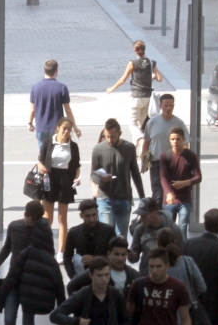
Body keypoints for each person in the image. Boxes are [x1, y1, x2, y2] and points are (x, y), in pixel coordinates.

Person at [0, 200, 59, 325]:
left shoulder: (42, 231)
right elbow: (7, 247)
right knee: (9, 318)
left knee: (28, 322)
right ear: (25, 216)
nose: (34, 224)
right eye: (32, 220)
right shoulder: (14, 227)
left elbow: (48, 254)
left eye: (37, 220)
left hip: (32, 281)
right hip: (15, 279)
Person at [90, 119, 144, 237]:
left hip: (124, 198)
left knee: (121, 237)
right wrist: (101, 180)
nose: (110, 140)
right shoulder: (98, 149)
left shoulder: (129, 148)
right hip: (105, 198)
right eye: (107, 136)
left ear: (120, 134)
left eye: (113, 137)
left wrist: (142, 197)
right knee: (106, 234)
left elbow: (135, 173)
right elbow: (93, 174)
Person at [37, 117, 81, 251]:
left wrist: (76, 178)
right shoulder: (48, 142)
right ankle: (45, 247)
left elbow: (76, 166)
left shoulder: (73, 146)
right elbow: (40, 160)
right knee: (47, 218)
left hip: (64, 180)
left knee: (62, 218)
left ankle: (61, 251)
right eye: (64, 128)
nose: (66, 132)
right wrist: (41, 167)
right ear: (58, 128)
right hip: (49, 179)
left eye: (69, 129)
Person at [106, 40, 163, 141]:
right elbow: (160, 78)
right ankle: (140, 148)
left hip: (136, 97)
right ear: (144, 49)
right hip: (148, 97)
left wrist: (112, 88)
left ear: (134, 50)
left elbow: (123, 79)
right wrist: (152, 76)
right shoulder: (151, 62)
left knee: (132, 124)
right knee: (142, 124)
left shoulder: (133, 63)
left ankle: (139, 139)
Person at [141, 93, 187, 205]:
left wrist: (183, 162)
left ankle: (168, 218)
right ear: (160, 105)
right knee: (157, 193)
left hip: (173, 163)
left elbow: (185, 144)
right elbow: (146, 142)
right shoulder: (152, 122)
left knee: (171, 193)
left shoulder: (179, 123)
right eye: (166, 105)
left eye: (171, 105)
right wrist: (143, 158)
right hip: (156, 163)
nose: (168, 108)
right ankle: (157, 218)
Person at [159, 127, 201, 238]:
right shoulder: (165, 156)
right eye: (172, 139)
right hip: (169, 200)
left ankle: (182, 251)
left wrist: (186, 183)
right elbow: (163, 177)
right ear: (169, 139)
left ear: (183, 139)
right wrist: (168, 193)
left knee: (182, 228)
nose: (175, 142)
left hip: (185, 199)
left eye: (178, 139)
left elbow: (198, 177)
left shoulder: (190, 156)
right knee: (168, 229)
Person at [28, 59, 80, 146]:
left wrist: (30, 123)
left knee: (44, 156)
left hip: (41, 128)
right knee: (57, 154)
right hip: (57, 128)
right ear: (56, 71)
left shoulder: (35, 87)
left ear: (44, 70)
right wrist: (74, 127)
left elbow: (33, 109)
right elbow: (68, 110)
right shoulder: (62, 88)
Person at [61, 198, 116, 278]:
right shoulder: (74, 232)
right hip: (82, 275)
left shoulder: (108, 230)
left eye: (94, 215)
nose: (91, 219)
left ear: (97, 213)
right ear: (81, 215)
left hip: (104, 275)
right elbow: (67, 257)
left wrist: (95, 259)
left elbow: (114, 255)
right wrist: (73, 276)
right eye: (87, 216)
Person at [129, 197, 186, 268]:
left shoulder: (174, 229)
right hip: (146, 275)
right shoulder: (139, 229)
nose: (141, 218)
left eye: (144, 215)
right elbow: (134, 256)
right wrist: (131, 255)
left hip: (168, 274)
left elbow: (182, 254)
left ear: (155, 213)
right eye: (140, 215)